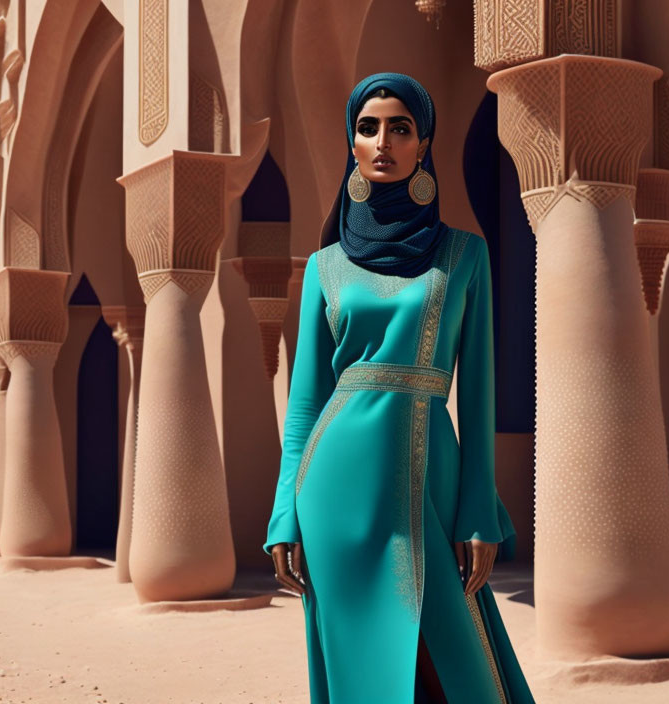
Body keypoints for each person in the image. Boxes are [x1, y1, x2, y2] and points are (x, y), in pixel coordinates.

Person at [263, 72, 536, 704]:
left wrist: (478, 511)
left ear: (424, 144)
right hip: (334, 490)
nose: (383, 141)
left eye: (400, 127)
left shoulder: (465, 256)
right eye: (368, 127)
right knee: (362, 662)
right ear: (351, 145)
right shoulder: (324, 268)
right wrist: (285, 514)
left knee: (452, 655)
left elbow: (479, 395)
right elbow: (306, 400)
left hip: (428, 476)